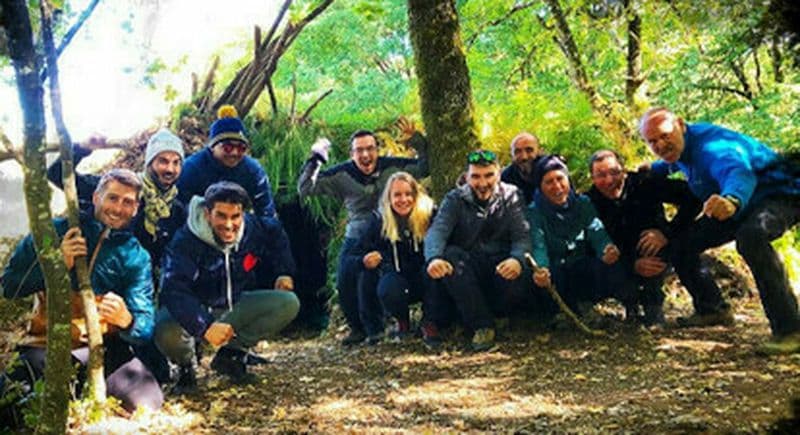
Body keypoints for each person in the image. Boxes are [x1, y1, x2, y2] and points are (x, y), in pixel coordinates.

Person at [1, 169, 162, 428]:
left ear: (136, 208)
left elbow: (145, 325)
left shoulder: (136, 255)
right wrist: (56, 264)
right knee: (12, 405)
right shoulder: (53, 231)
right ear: (96, 197)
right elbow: (9, 285)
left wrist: (127, 321)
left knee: (148, 403)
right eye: (112, 198)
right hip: (47, 343)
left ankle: (78, 389)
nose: (119, 208)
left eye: (128, 202)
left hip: (101, 347)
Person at [639, 107, 800, 353]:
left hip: (779, 194)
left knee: (751, 237)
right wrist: (651, 169)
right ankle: (712, 308)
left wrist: (732, 200)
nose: (660, 144)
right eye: (652, 141)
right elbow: (669, 164)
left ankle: (790, 330)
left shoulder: (712, 147)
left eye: (664, 136)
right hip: (739, 204)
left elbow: (737, 171)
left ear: (681, 125)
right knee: (681, 244)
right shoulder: (681, 150)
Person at [156, 182, 299, 390]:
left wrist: (284, 271)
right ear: (207, 213)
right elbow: (173, 289)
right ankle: (186, 366)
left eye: (235, 216)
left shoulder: (253, 228)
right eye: (221, 216)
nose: (229, 224)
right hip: (197, 312)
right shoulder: (185, 240)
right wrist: (204, 326)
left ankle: (232, 355)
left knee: (288, 303)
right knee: (165, 329)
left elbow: (276, 234)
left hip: (233, 305)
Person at [297, 120, 428, 345]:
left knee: (381, 276)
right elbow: (305, 187)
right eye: (359, 150)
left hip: (390, 231)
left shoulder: (393, 166)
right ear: (352, 154)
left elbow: (425, 167)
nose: (365, 155)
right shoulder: (341, 174)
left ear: (377, 150)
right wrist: (316, 158)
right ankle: (358, 329)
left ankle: (387, 324)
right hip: (358, 233)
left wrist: (416, 140)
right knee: (346, 276)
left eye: (370, 149)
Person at [425, 150, 531, 351]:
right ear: (466, 177)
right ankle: (482, 325)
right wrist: (434, 258)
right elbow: (438, 231)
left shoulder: (512, 196)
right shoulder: (454, 199)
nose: (483, 183)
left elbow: (522, 235)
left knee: (521, 266)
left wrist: (517, 259)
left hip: (500, 266)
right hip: (469, 271)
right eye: (476, 176)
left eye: (489, 175)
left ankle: (501, 315)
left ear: (498, 174)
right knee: (450, 256)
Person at [586, 149, 702, 325]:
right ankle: (629, 304)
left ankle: (655, 305)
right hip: (619, 256)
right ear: (592, 178)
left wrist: (667, 232)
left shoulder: (644, 183)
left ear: (624, 171)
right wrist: (630, 263)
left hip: (656, 248)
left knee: (661, 244)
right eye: (601, 175)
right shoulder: (588, 202)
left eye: (614, 172)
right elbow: (589, 245)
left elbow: (693, 197)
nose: (609, 180)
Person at [47, 128, 187, 272]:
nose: (170, 169)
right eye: (163, 161)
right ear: (149, 162)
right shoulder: (120, 189)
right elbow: (56, 174)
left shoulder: (176, 210)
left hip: (136, 284)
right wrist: (82, 149)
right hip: (96, 275)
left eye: (176, 163)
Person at [527, 155, 626, 322]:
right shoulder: (534, 211)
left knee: (608, 268)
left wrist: (606, 249)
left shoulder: (582, 203)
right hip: (554, 270)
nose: (557, 186)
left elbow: (596, 231)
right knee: (549, 277)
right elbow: (538, 245)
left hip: (578, 266)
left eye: (560, 179)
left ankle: (585, 304)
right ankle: (557, 312)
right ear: (540, 186)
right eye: (549, 182)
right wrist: (541, 269)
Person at [352, 172, 438, 345]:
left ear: (416, 195)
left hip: (425, 275)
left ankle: (430, 321)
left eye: (408, 194)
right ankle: (401, 321)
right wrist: (365, 260)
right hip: (397, 278)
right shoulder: (379, 220)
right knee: (384, 285)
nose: (403, 199)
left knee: (437, 272)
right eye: (397, 195)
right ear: (389, 198)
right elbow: (354, 256)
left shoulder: (431, 214)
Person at [177, 105, 278, 226]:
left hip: (237, 227)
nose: (235, 153)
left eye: (241, 148)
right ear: (212, 147)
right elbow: (178, 209)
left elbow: (267, 212)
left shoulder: (253, 170)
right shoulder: (191, 168)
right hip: (198, 227)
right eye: (228, 147)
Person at [501, 132, 544, 205]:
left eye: (529, 150)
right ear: (512, 155)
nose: (524, 157)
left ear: (539, 151)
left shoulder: (550, 170)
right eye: (517, 152)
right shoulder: (506, 177)